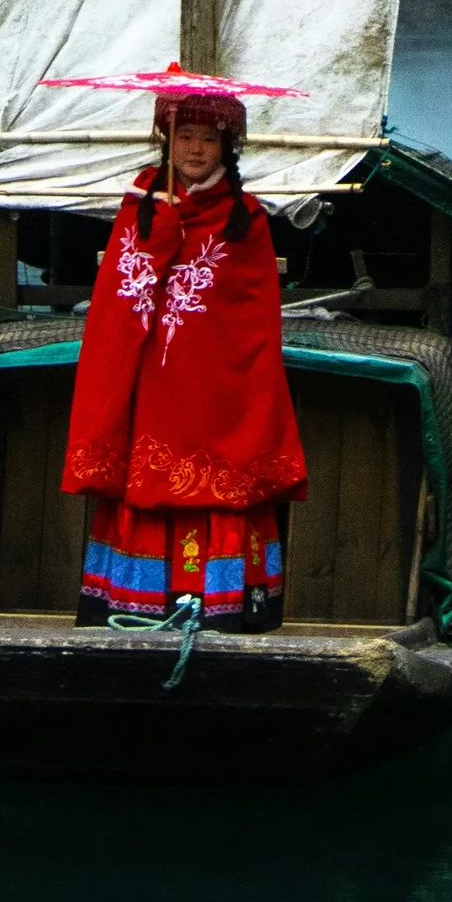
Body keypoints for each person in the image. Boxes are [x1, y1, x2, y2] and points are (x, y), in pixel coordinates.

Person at [62, 69, 306, 634]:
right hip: (151, 382)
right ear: (167, 139)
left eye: (208, 139)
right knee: (147, 480)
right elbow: (121, 302)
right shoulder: (142, 204)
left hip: (219, 386)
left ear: (226, 146)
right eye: (185, 137)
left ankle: (222, 608)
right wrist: (160, 232)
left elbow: (250, 318)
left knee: (218, 481)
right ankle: (134, 603)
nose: (195, 150)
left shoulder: (246, 218)